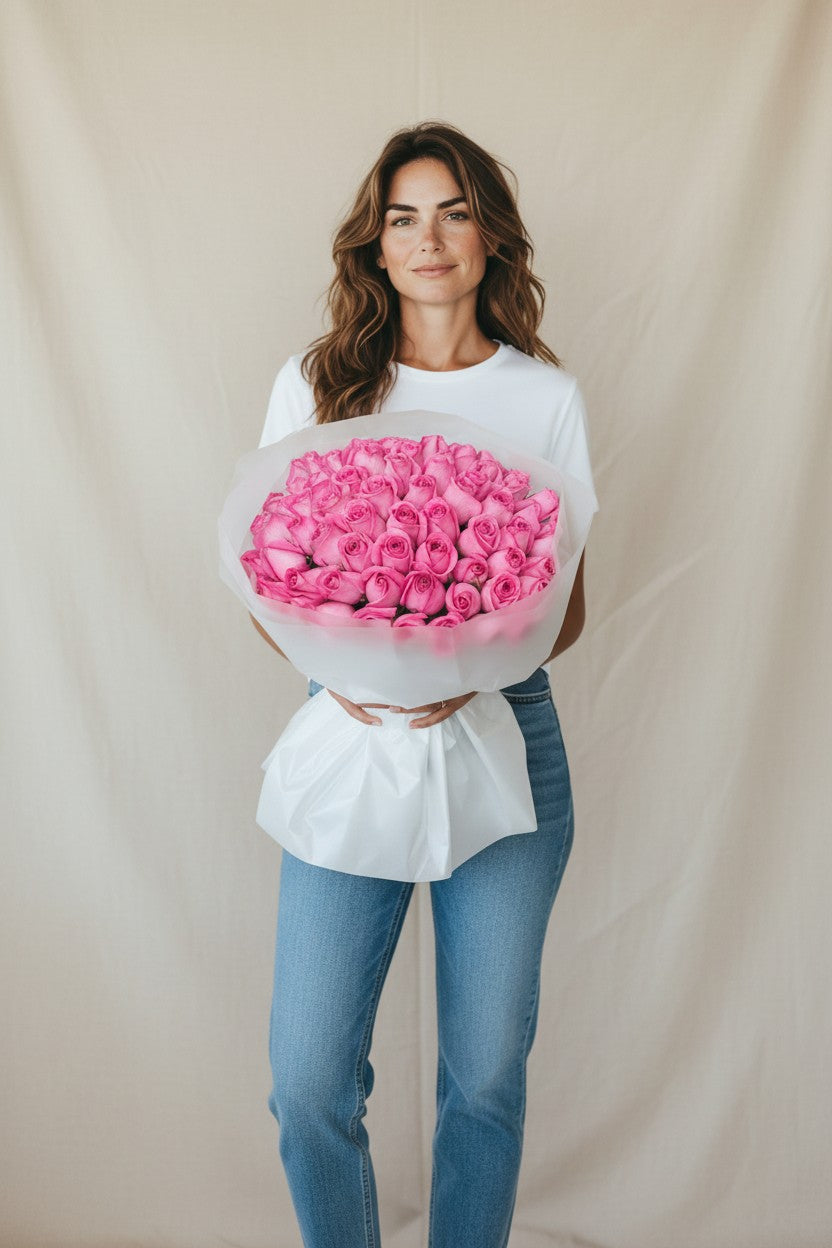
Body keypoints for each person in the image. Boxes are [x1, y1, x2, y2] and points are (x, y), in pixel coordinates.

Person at [251, 121, 599, 1248]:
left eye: (452, 211)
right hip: (350, 737)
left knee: (485, 1076)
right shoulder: (316, 386)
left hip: (504, 734)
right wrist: (356, 671)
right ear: (376, 242)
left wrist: (473, 661)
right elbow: (267, 584)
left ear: (490, 235)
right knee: (308, 1082)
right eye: (403, 216)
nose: (428, 238)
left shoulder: (543, 398)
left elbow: (569, 607)